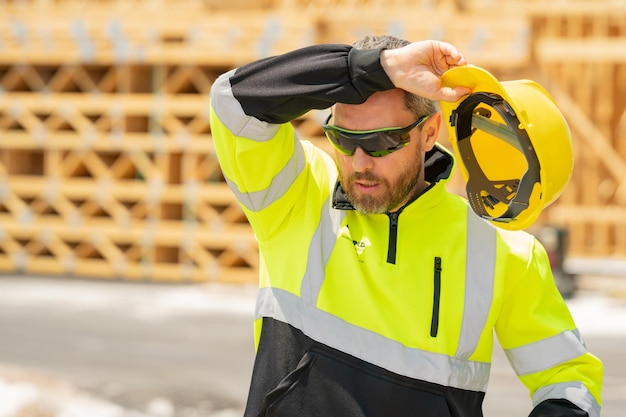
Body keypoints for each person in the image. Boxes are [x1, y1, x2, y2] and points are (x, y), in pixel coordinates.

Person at [209, 35, 602, 417]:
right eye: (343, 140)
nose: (360, 163)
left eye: (381, 142)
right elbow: (234, 101)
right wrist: (377, 68)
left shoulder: (502, 252)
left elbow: (568, 379)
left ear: (429, 132)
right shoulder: (296, 196)